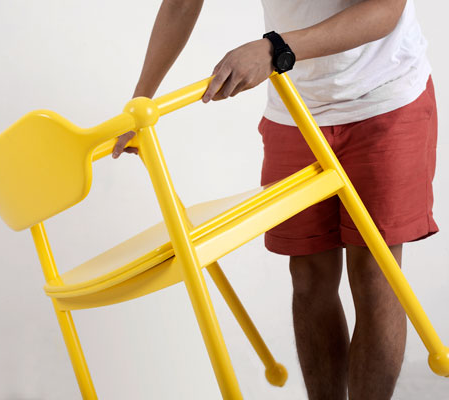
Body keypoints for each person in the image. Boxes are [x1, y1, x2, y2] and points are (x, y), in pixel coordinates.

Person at [111, 0, 438, 399]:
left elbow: (385, 9)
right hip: (296, 106)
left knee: (374, 273)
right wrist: (139, 104)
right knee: (308, 277)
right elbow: (181, 3)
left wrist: (275, 48)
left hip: (383, 96)